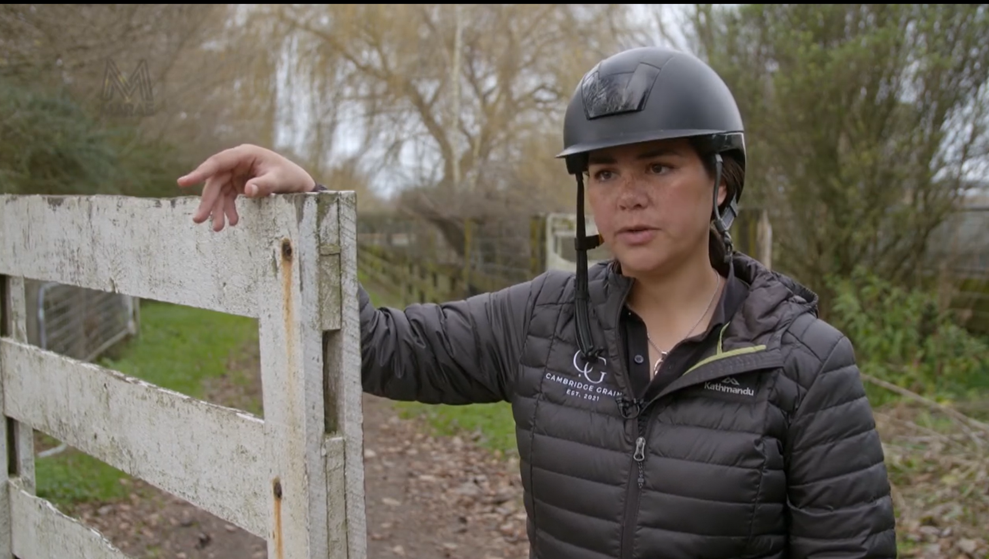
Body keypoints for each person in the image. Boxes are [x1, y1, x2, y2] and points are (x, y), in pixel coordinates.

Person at [178, 46, 897, 559]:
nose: (628, 194)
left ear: (721, 183)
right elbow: (381, 346)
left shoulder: (805, 364)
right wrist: (309, 210)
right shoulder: (542, 321)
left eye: (659, 165)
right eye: (604, 172)